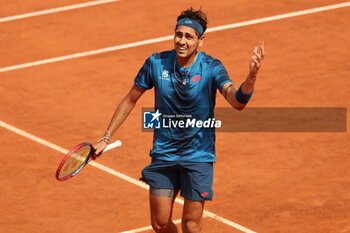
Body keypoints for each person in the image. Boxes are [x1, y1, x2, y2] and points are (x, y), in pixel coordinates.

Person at [93, 7, 264, 233]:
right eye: (178, 34)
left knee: (191, 226)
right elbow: (130, 99)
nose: (181, 41)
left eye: (189, 36)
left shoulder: (212, 68)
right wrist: (106, 137)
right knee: (160, 223)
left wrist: (251, 77)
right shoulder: (156, 63)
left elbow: (237, 101)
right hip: (164, 154)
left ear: (201, 41)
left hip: (198, 156)